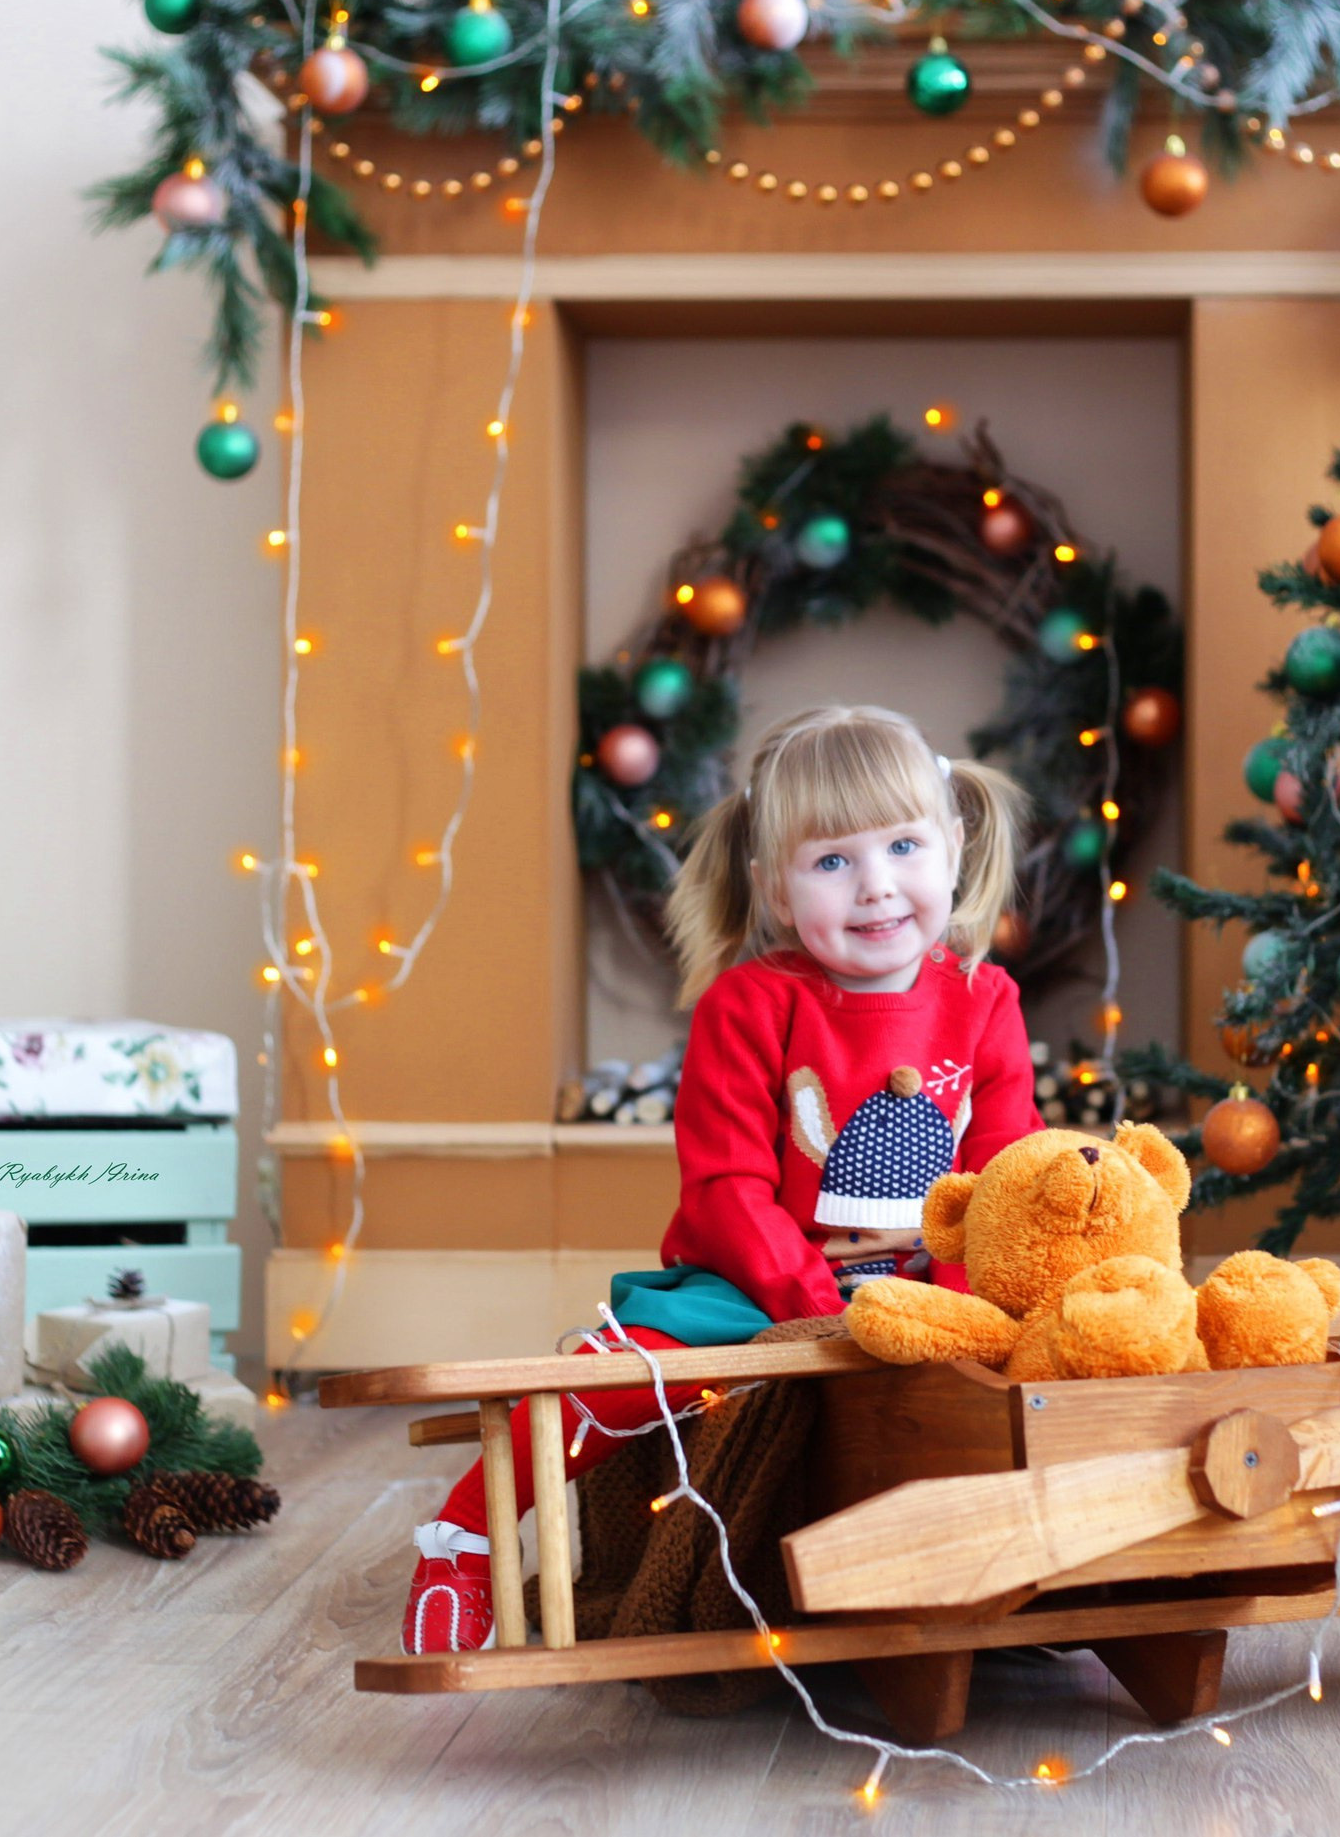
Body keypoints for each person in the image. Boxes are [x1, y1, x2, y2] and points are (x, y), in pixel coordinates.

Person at [401, 705, 1043, 1653]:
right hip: (759, 1280)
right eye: (832, 862)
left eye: (903, 846)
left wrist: (956, 1306)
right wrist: (817, 1305)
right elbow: (727, 1186)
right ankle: (462, 1535)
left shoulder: (984, 1001)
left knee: (1058, 1333)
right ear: (776, 889)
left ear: (952, 847)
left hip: (937, 1285)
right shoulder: (750, 1005)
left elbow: (1003, 1168)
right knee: (631, 1367)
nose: (875, 887)